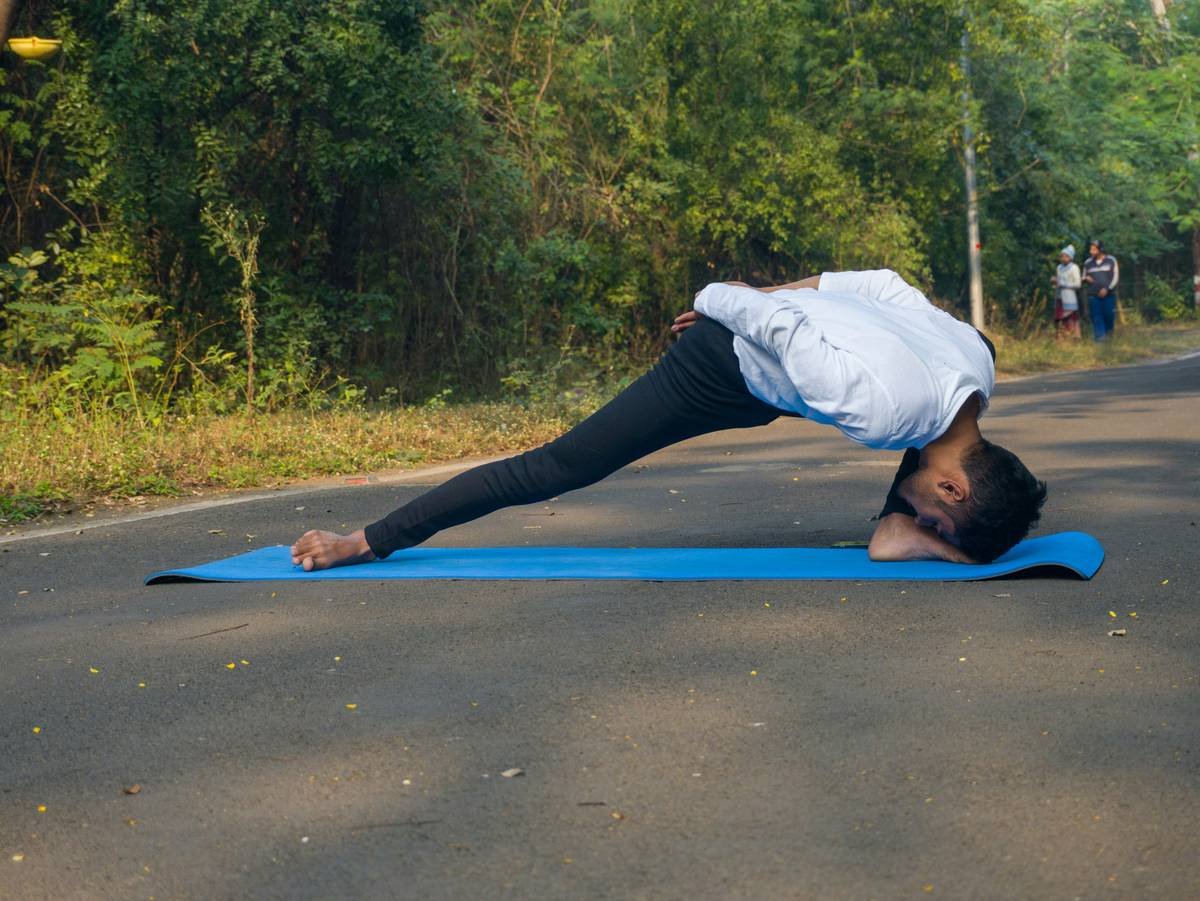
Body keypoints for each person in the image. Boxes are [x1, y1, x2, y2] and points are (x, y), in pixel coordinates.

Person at [290, 269, 1047, 571]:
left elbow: (880, 283)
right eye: (936, 522)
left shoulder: (976, 365)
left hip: (782, 372)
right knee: (560, 465)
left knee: (959, 366)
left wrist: (942, 539)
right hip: (720, 364)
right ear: (952, 491)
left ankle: (953, 532)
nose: (923, 519)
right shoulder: (885, 413)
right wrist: (721, 299)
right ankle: (366, 539)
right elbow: (762, 317)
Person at [1082, 240, 1119, 340]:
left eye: (1094, 249)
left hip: (1108, 295)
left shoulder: (1111, 260)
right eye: (1091, 249)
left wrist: (1107, 289)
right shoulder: (1087, 263)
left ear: (1100, 249)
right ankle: (1100, 339)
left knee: (1108, 315)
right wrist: (1085, 279)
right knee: (1096, 317)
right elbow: (1083, 276)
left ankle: (1109, 336)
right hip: (1093, 295)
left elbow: (1115, 277)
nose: (1091, 251)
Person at [1051, 244, 1082, 339]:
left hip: (1070, 298)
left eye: (1066, 256)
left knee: (1070, 319)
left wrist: (1063, 284)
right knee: (1059, 318)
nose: (1063, 258)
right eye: (1062, 256)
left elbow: (1078, 284)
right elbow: (1057, 283)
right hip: (1059, 297)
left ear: (1070, 258)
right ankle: (1061, 339)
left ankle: (1073, 338)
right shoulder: (1059, 268)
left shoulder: (1074, 267)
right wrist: (1054, 281)